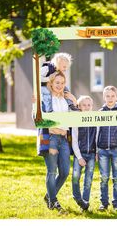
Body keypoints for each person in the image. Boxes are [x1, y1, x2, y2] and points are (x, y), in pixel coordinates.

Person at [38, 71, 77, 212]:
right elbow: (39, 118)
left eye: (62, 83)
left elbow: (77, 116)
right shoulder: (46, 98)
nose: (60, 85)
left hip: (64, 139)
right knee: (52, 171)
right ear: (51, 83)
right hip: (51, 138)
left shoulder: (66, 99)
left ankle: (49, 195)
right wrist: (52, 128)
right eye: (57, 83)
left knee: (65, 172)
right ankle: (53, 201)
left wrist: (73, 99)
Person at [96, 86, 117, 211]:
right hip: (102, 150)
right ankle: (103, 203)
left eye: (112, 96)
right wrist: (97, 150)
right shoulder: (100, 112)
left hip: (116, 150)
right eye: (107, 96)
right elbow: (97, 132)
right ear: (104, 97)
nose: (110, 98)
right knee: (104, 178)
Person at [71, 96, 97, 211]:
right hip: (79, 153)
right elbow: (74, 140)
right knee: (75, 177)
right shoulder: (76, 120)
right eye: (83, 105)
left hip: (91, 154)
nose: (86, 107)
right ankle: (77, 197)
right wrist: (79, 156)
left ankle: (85, 203)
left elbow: (97, 137)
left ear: (91, 107)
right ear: (79, 107)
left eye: (88, 105)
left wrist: (96, 152)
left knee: (88, 180)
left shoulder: (95, 120)